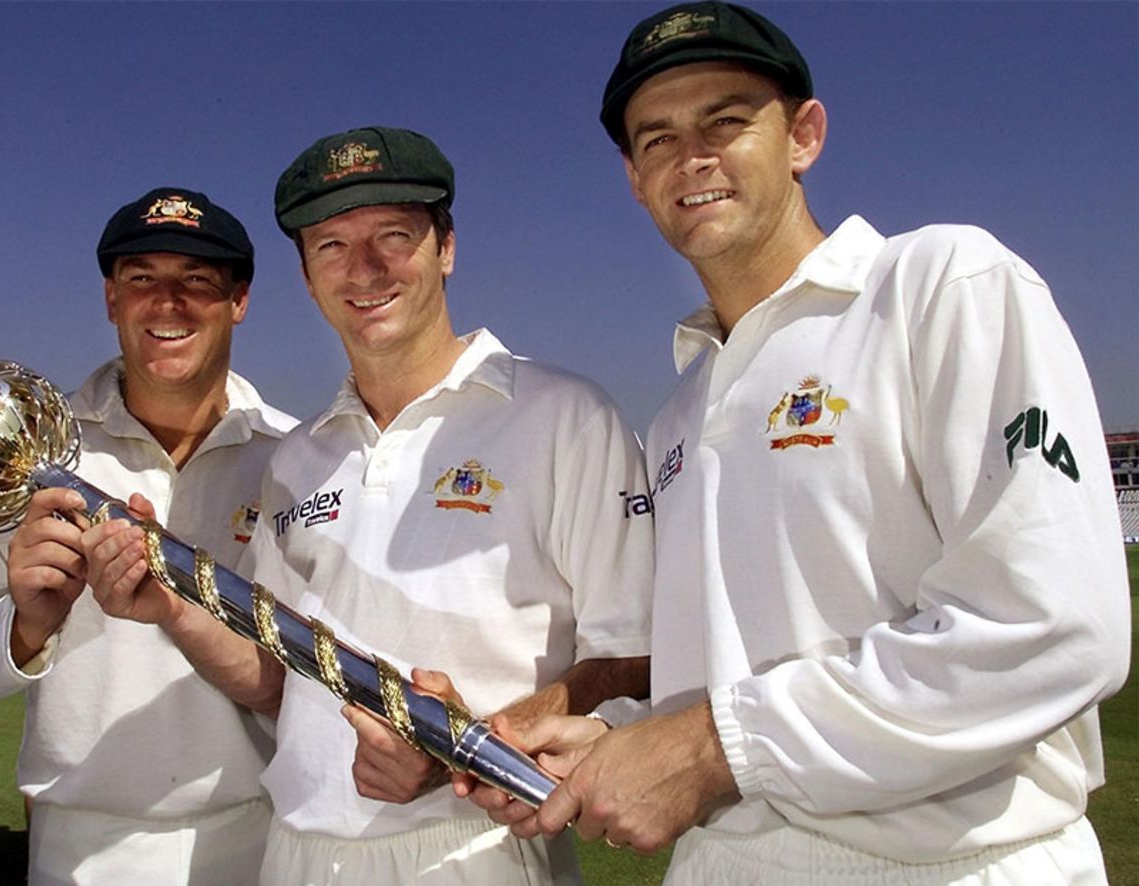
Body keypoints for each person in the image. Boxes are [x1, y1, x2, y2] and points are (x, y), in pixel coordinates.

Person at [477, 4, 1132, 883]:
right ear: (635, 179)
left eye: (728, 121)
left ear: (804, 136)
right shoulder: (680, 412)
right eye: (658, 138)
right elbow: (727, 673)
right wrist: (612, 742)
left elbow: (1050, 625)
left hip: (950, 863)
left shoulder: (940, 285)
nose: (692, 158)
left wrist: (710, 749)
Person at [84, 126, 654, 885]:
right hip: (297, 848)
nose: (366, 269)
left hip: (474, 849)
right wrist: (174, 608)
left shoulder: (563, 416)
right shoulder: (300, 455)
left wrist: (474, 741)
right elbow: (277, 672)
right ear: (308, 277)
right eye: (332, 246)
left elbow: (635, 657)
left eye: (394, 234)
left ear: (445, 248)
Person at [0, 187, 297, 885]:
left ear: (239, 300)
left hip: (263, 841)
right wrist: (25, 624)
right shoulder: (32, 449)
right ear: (111, 299)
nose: (168, 302)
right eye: (142, 278)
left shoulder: (296, 457)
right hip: (82, 853)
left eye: (197, 281)